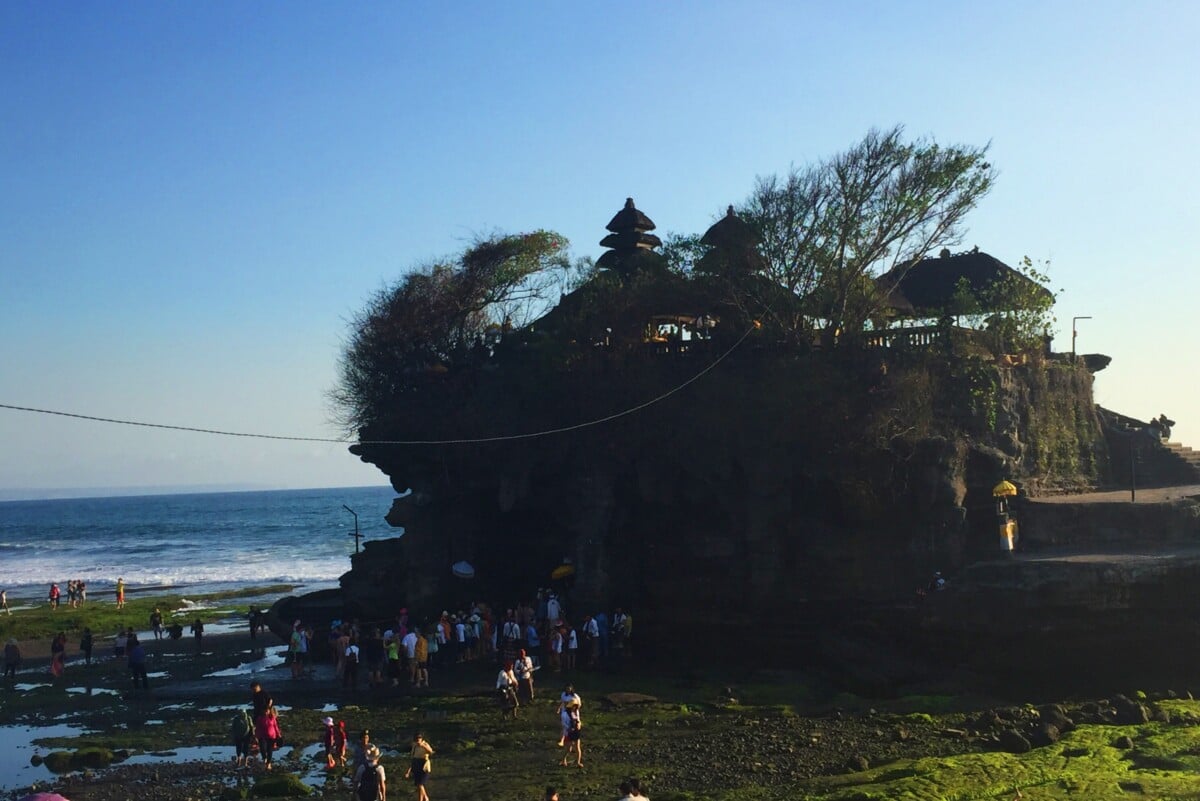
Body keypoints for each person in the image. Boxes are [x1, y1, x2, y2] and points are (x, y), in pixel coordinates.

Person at [403, 732, 434, 801]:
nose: (417, 741)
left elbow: (431, 752)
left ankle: (423, 799)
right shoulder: (414, 745)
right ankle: (425, 798)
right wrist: (408, 771)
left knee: (420, 783)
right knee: (418, 784)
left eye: (418, 739)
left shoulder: (425, 744)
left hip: (424, 766)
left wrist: (423, 746)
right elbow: (413, 757)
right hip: (416, 765)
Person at [254, 698, 282, 771]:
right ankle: (264, 758)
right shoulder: (260, 718)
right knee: (263, 748)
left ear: (269, 711)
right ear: (263, 711)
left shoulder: (272, 718)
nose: (266, 712)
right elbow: (257, 727)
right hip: (262, 736)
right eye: (265, 711)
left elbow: (275, 726)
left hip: (271, 736)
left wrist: (278, 735)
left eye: (267, 711)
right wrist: (256, 736)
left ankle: (268, 764)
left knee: (270, 750)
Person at [560, 700, 583, 767]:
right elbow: (564, 724)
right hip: (569, 731)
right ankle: (563, 760)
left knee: (577, 747)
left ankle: (578, 762)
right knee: (568, 748)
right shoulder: (565, 714)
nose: (575, 707)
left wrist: (579, 725)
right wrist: (569, 728)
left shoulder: (576, 712)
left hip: (576, 731)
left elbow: (578, 720)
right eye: (574, 706)